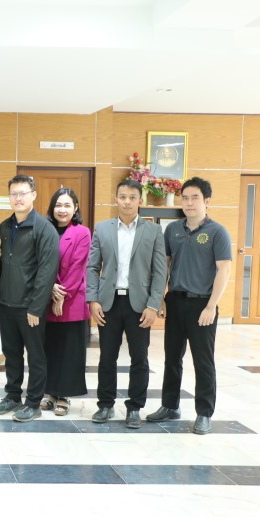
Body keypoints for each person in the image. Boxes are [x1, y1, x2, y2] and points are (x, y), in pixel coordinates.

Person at [147, 177, 231, 435]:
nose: (189, 203)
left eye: (195, 198)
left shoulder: (217, 232)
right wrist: (161, 298)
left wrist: (211, 306)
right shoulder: (172, 230)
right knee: (172, 357)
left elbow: (224, 270)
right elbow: (165, 266)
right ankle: (170, 405)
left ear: (207, 201)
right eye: (185, 198)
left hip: (202, 305)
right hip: (175, 301)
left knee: (203, 360)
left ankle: (204, 413)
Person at [86, 179, 166, 428]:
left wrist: (153, 305)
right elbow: (92, 267)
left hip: (140, 305)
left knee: (139, 358)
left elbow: (160, 271)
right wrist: (92, 299)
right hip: (108, 303)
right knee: (106, 358)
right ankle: (105, 405)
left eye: (132, 197)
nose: (127, 202)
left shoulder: (153, 231)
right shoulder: (103, 229)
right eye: (123, 197)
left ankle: (134, 408)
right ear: (116, 199)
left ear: (140, 200)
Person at [0, 175, 58, 422]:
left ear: (33, 195)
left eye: (23, 193)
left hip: (30, 307)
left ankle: (33, 403)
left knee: (36, 356)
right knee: (11, 353)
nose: (18, 198)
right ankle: (12, 396)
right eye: (14, 194)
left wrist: (36, 307)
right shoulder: (4, 227)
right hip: (7, 304)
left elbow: (47, 272)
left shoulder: (44, 229)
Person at [40, 188, 91, 416]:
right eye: (58, 205)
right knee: (49, 348)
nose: (62, 209)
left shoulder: (82, 232)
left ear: (75, 208)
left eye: (67, 205)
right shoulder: (44, 229)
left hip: (72, 301)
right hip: (46, 297)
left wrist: (62, 294)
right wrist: (51, 287)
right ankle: (50, 392)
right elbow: (38, 262)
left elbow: (78, 266)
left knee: (69, 350)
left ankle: (64, 395)